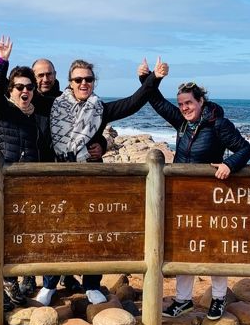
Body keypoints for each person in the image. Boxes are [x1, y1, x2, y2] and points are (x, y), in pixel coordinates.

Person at [35, 56, 168, 306]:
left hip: (91, 176)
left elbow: (133, 102)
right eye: (78, 79)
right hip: (59, 174)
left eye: (88, 79)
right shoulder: (53, 105)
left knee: (94, 229)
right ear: (70, 83)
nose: (84, 83)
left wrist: (154, 78)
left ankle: (92, 284)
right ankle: (50, 284)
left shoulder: (100, 109)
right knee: (56, 229)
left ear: (94, 82)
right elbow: (17, 98)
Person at [138, 60, 250, 320]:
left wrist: (229, 164)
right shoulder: (181, 122)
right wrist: (150, 78)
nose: (184, 108)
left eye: (188, 103)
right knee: (183, 246)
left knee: (214, 247)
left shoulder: (219, 124)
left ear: (200, 100)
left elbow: (246, 149)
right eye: (180, 104)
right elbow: (155, 101)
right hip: (182, 195)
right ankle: (183, 300)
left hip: (210, 197)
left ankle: (219, 298)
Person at [0, 35, 54, 310]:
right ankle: (8, 284)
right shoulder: (3, 110)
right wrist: (2, 61)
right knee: (7, 233)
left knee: (28, 231)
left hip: (32, 183)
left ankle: (25, 278)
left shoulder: (36, 113)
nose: (24, 91)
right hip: (7, 183)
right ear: (11, 90)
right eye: (19, 87)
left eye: (29, 87)